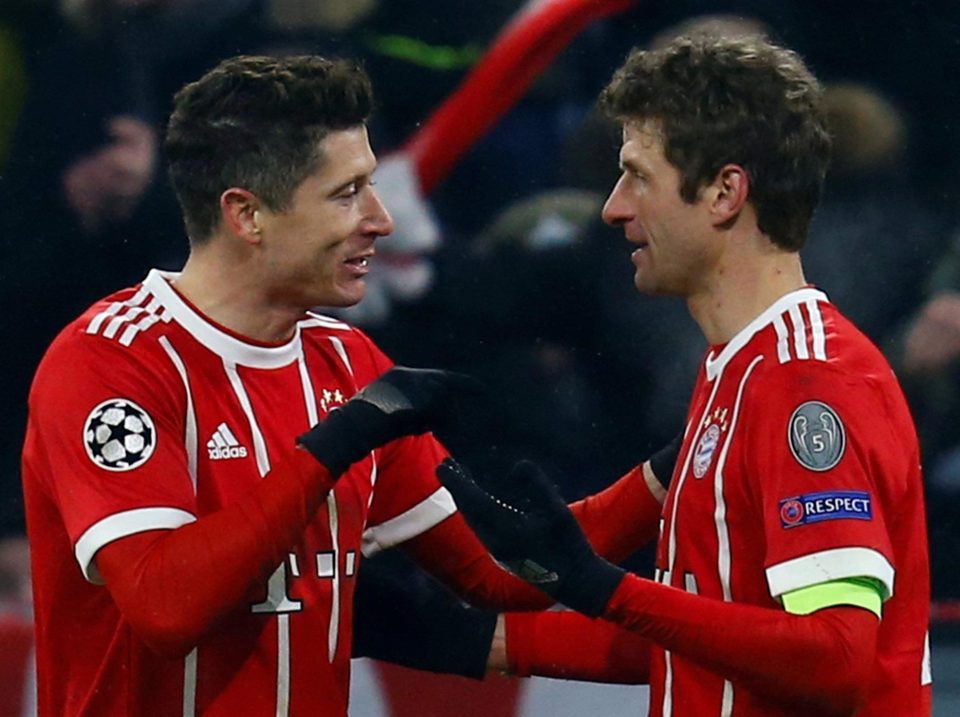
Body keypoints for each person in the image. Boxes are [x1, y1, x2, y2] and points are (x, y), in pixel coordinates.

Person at [20, 54, 675, 717]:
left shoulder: (346, 361)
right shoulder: (111, 362)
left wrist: (672, 471)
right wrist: (330, 449)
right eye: (348, 192)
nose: (381, 219)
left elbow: (498, 569)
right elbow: (165, 606)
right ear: (248, 215)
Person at [439, 34, 932, 716]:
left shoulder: (809, 382)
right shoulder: (738, 369)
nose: (613, 206)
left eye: (638, 175)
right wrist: (446, 638)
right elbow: (705, 643)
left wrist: (613, 589)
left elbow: (837, 657)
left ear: (726, 192)